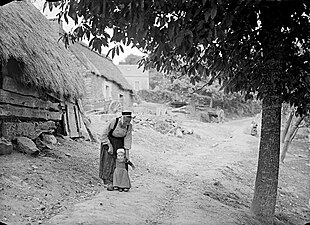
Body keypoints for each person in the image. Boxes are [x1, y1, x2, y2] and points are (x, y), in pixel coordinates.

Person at [99, 110, 133, 191]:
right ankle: (109, 182)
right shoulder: (114, 122)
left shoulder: (129, 126)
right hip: (108, 141)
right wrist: (109, 145)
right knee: (109, 161)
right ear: (122, 118)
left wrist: (127, 154)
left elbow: (128, 139)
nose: (126, 123)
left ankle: (120, 183)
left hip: (119, 143)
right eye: (125, 121)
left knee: (121, 161)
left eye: (128, 122)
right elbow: (103, 134)